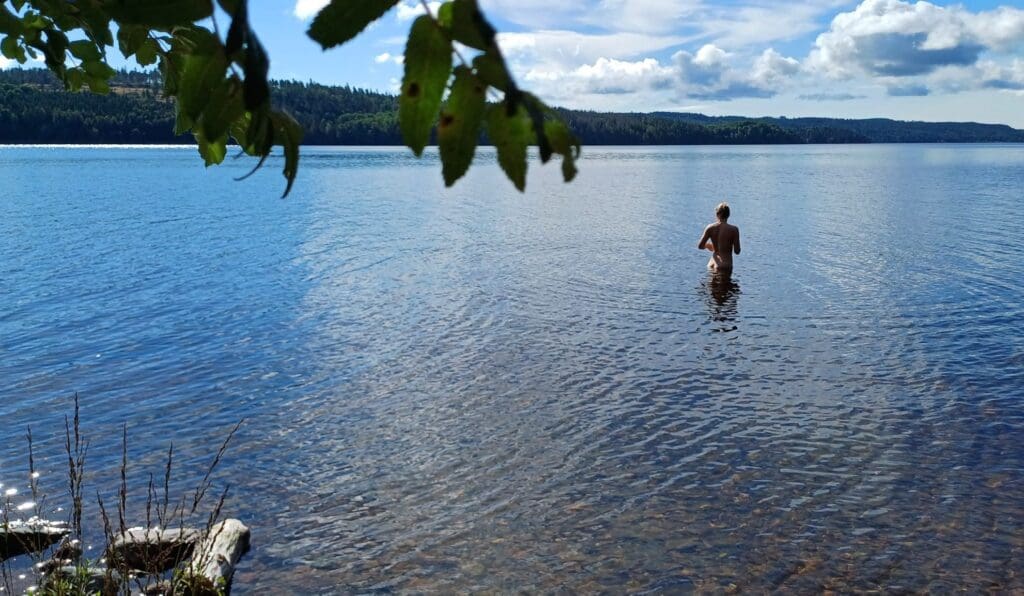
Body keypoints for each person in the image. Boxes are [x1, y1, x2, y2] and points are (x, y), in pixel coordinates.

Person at [697, 202, 740, 273]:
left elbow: (700, 246)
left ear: (717, 214)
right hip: (725, 265)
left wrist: (708, 246)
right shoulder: (734, 229)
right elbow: (737, 251)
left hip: (711, 264)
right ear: (728, 215)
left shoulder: (710, 227)